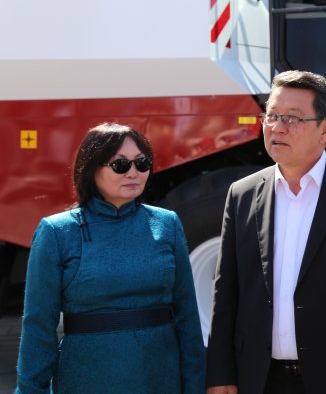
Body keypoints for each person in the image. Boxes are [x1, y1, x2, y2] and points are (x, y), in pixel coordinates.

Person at [206, 70, 326, 394]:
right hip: (259, 379)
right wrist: (220, 374)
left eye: (293, 118)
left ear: (325, 129)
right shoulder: (242, 194)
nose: (278, 127)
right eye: (272, 115)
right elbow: (226, 293)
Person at [15, 123, 205, 394]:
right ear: (92, 168)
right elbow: (38, 326)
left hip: (160, 376)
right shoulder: (57, 231)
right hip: (87, 378)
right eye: (120, 165)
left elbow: (187, 315)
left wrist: (196, 385)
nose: (133, 172)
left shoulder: (167, 223)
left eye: (142, 163)